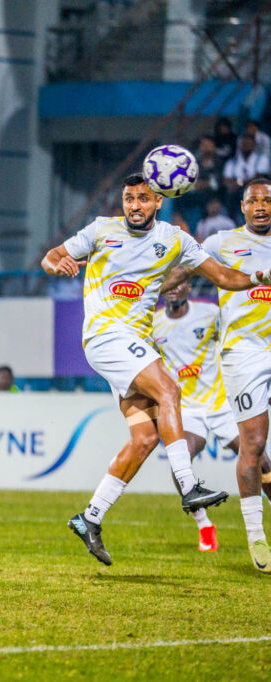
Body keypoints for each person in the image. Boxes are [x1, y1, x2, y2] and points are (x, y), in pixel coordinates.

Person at [41, 172, 271, 566]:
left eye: (143, 199)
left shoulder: (174, 240)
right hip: (105, 335)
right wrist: (58, 264)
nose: (134, 205)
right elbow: (50, 256)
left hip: (135, 344)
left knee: (144, 439)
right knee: (170, 389)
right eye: (129, 198)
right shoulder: (101, 230)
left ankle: (90, 517)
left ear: (158, 202)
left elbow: (223, 277)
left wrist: (258, 276)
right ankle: (188, 485)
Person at [152, 268, 253, 552]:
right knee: (179, 462)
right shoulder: (154, 324)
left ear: (188, 287)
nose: (173, 289)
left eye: (178, 283)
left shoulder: (209, 314)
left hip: (221, 405)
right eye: (167, 285)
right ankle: (204, 525)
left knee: (261, 461)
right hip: (187, 410)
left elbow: (238, 340)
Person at [201, 176, 271, 572]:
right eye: (253, 200)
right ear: (242, 207)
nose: (261, 205)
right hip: (244, 352)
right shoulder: (222, 242)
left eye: (268, 200)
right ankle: (257, 538)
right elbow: (182, 265)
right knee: (255, 444)